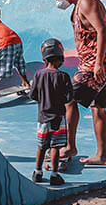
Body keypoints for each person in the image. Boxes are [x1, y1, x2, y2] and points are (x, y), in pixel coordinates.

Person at [46, 0, 106, 166]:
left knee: (68, 99)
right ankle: (102, 155)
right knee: (98, 108)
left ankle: (70, 146)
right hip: (100, 63)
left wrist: (98, 64)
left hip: (97, 65)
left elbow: (102, 30)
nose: (57, 2)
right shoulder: (78, 5)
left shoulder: (87, 2)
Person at [29, 38, 73, 185]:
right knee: (55, 147)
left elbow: (32, 95)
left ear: (44, 58)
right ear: (61, 58)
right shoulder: (64, 77)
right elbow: (69, 98)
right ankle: (54, 175)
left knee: (41, 147)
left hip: (42, 118)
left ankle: (37, 172)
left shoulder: (38, 75)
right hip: (58, 119)